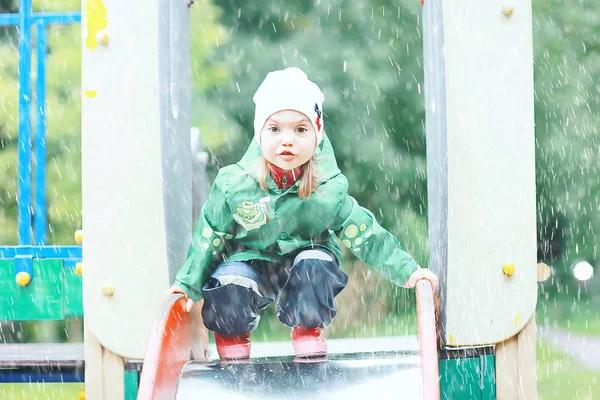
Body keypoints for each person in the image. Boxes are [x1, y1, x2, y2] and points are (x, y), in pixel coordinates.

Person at [168, 67, 438, 360]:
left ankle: (307, 327)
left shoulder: (326, 190)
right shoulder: (236, 185)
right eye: (275, 129)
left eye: (300, 129)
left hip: (305, 264)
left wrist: (407, 270)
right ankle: (232, 333)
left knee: (315, 264)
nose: (287, 140)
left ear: (316, 134)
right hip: (251, 262)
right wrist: (185, 286)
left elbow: (364, 233)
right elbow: (211, 236)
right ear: (260, 134)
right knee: (230, 280)